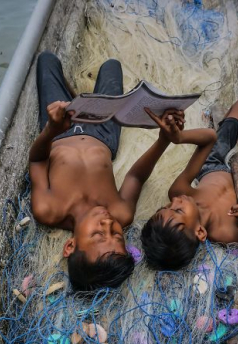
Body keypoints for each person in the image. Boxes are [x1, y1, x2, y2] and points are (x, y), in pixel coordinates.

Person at [29, 51, 184, 290]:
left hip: (60, 133)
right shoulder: (120, 213)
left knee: (47, 60)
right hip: (102, 135)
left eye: (99, 236)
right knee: (112, 65)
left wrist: (51, 129)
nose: (109, 225)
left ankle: (74, 99)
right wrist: (164, 138)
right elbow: (136, 176)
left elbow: (37, 161)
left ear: (70, 246)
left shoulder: (48, 209)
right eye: (118, 235)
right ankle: (80, 98)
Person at [141, 98, 238, 270]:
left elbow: (209, 138)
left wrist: (179, 137)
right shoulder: (224, 233)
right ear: (200, 232)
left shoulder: (179, 191)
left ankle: (224, 124)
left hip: (212, 164)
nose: (175, 200)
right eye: (178, 210)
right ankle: (226, 128)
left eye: (165, 206)